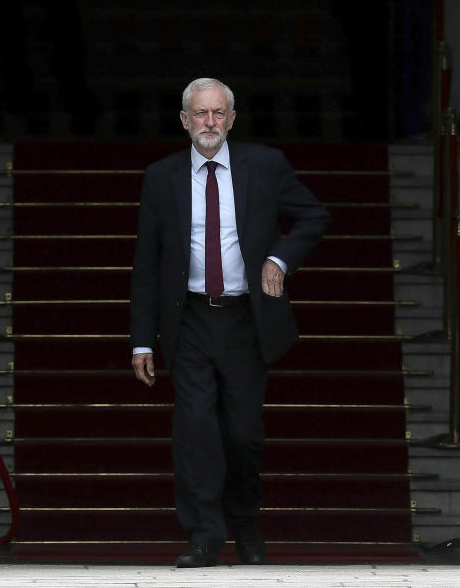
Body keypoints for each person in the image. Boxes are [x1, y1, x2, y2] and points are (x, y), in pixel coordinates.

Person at [130, 78, 330, 568]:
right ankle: (203, 534)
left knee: (242, 433)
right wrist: (141, 341)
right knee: (195, 430)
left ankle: (244, 522)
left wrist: (279, 260)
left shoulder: (264, 165)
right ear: (184, 120)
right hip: (191, 319)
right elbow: (147, 264)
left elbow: (313, 216)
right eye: (201, 114)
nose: (210, 123)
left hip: (246, 319)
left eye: (219, 113)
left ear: (232, 119)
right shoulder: (162, 176)